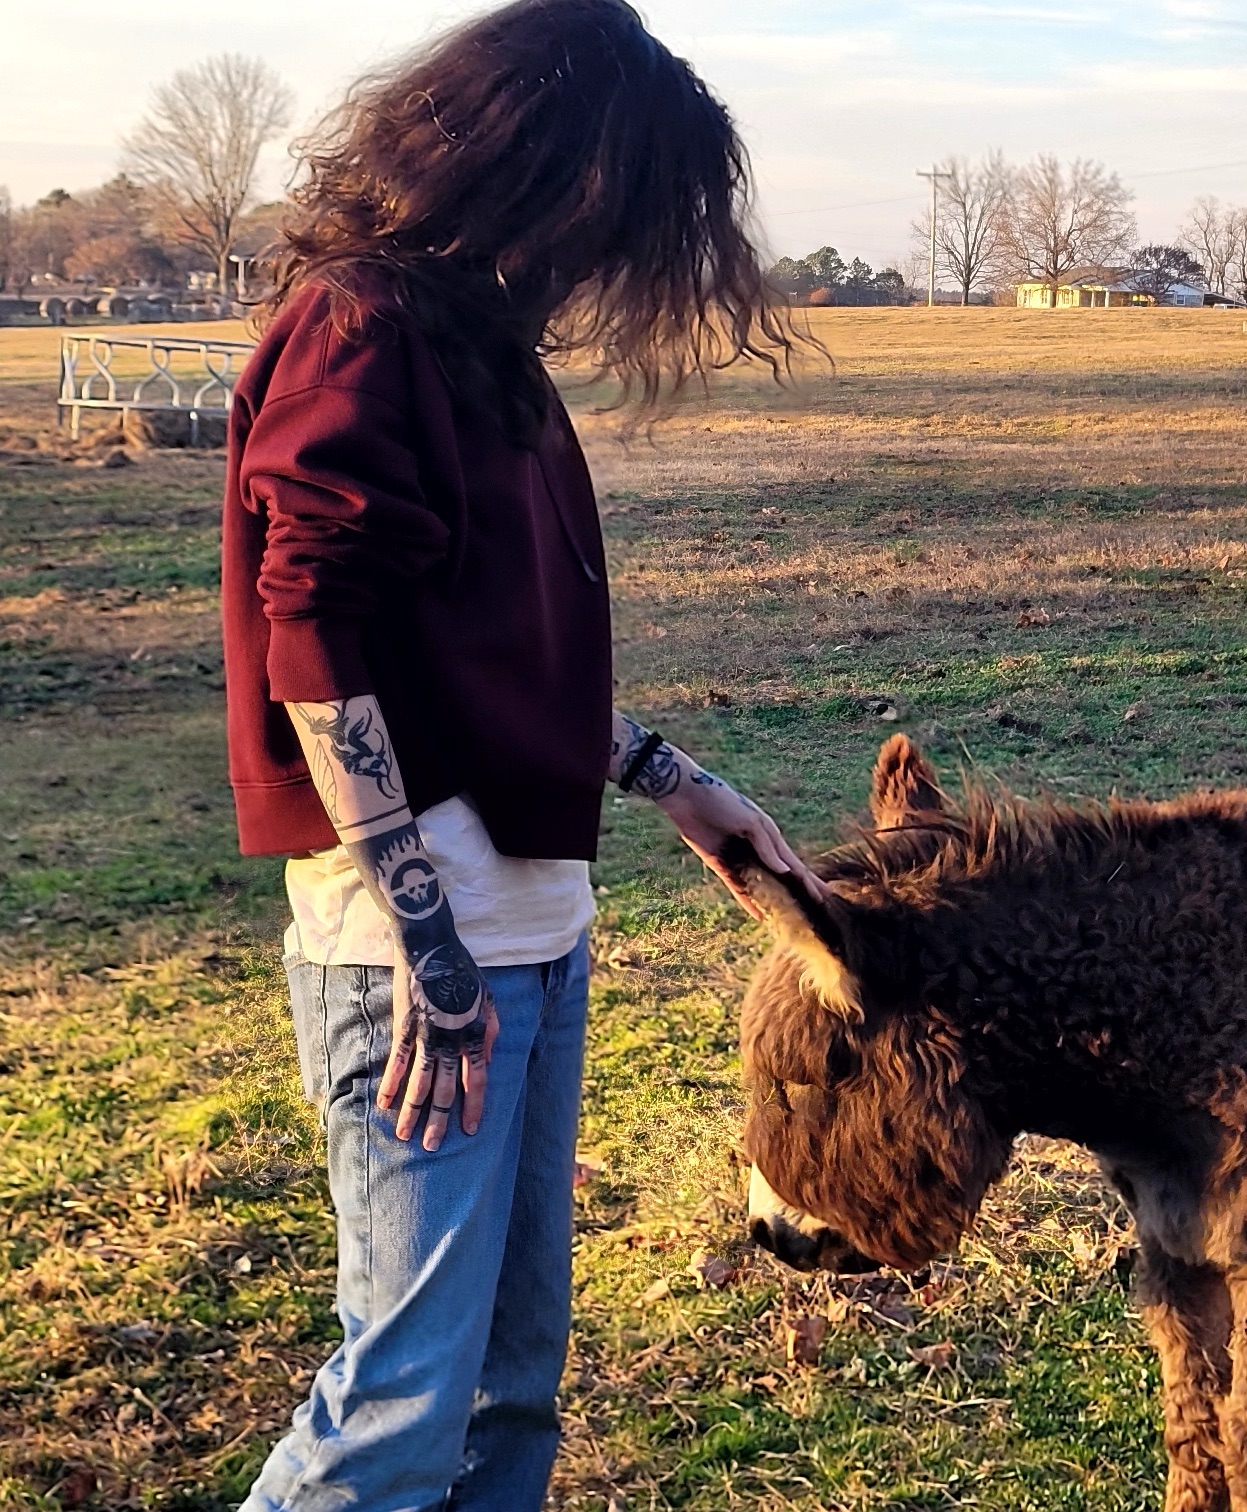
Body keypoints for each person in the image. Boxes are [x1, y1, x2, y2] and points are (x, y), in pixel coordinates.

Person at [219, 4, 825, 1507]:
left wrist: (673, 781)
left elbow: (477, 662)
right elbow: (316, 632)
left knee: (512, 1389)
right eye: (621, 216)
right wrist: (428, 951)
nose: (614, 260)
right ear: (543, 173)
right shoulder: (361, 329)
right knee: (399, 1410)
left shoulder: (477, 344)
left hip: (535, 938)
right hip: (432, 963)